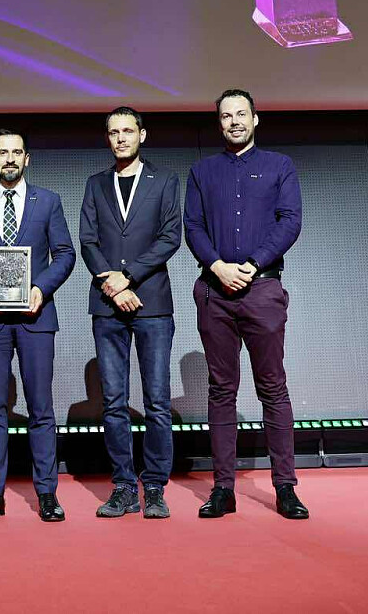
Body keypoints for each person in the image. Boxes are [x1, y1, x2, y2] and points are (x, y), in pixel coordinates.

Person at [185, 89, 309, 520]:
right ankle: (223, 489)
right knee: (221, 390)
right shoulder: (202, 171)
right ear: (219, 124)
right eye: (226, 116)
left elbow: (290, 221)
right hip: (214, 292)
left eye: (241, 114)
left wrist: (253, 265)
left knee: (272, 387)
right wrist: (218, 267)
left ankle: (285, 488)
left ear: (256, 119)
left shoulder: (280, 166)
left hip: (263, 290)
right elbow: (193, 226)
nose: (234, 121)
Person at [0, 129, 76, 523]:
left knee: (41, 407)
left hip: (35, 317)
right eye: (3, 152)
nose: (10, 158)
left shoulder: (48, 202)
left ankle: (47, 493)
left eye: (16, 152)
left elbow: (65, 253)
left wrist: (41, 288)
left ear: (27, 159)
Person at [79, 106, 181, 519]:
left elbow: (170, 237)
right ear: (107, 138)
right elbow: (87, 240)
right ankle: (123, 486)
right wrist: (111, 283)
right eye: (113, 132)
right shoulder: (96, 183)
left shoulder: (165, 180)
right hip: (107, 305)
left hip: (151, 303)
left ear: (142, 134)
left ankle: (154, 487)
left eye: (127, 130)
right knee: (114, 402)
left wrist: (129, 278)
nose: (120, 138)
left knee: (156, 401)